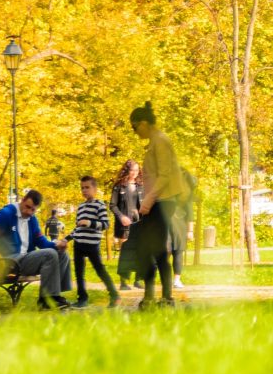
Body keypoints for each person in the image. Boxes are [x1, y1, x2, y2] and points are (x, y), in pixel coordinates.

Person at [131, 102, 189, 306]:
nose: (135, 132)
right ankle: (151, 296)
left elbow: (164, 175)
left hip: (163, 202)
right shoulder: (155, 141)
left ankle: (165, 297)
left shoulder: (161, 141)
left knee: (156, 249)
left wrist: (148, 200)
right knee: (148, 249)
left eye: (134, 127)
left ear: (144, 123)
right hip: (157, 201)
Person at [0, 188, 76, 310]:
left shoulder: (32, 219)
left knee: (62, 253)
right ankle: (46, 300)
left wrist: (57, 245)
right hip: (10, 262)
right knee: (50, 254)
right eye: (27, 207)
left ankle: (54, 296)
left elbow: (41, 242)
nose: (29, 212)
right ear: (23, 200)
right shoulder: (6, 214)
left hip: (24, 259)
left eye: (33, 210)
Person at [71, 175, 120, 308]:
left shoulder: (100, 205)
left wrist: (89, 223)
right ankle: (82, 299)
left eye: (87, 187)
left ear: (95, 189)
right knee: (79, 273)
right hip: (78, 244)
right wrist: (66, 239)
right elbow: (77, 228)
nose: (84, 190)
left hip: (92, 245)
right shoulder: (81, 207)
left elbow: (105, 224)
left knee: (100, 270)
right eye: (82, 188)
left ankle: (115, 295)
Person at [112, 160, 143, 290]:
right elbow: (113, 205)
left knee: (141, 251)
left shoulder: (141, 185)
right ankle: (123, 282)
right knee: (125, 252)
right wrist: (121, 217)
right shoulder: (119, 186)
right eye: (132, 170)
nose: (135, 173)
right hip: (124, 224)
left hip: (139, 223)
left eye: (137, 170)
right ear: (127, 171)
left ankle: (138, 280)